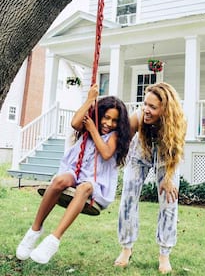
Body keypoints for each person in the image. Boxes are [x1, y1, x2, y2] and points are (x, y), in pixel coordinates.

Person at [16, 84, 131, 264]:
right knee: (59, 180)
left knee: (84, 187)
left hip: (96, 182)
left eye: (114, 120)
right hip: (76, 171)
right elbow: (75, 123)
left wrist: (93, 129)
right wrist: (89, 100)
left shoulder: (114, 136)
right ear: (99, 114)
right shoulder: (89, 124)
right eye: (106, 117)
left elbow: (106, 153)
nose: (109, 123)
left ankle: (53, 240)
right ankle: (34, 230)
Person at [114, 82, 187, 274]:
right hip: (140, 152)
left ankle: (164, 254)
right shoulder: (138, 117)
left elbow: (176, 152)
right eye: (145, 103)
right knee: (128, 199)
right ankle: (126, 248)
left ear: (165, 109)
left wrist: (168, 178)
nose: (146, 110)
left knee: (169, 202)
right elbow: (120, 141)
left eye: (153, 107)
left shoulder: (178, 121)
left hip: (167, 157)